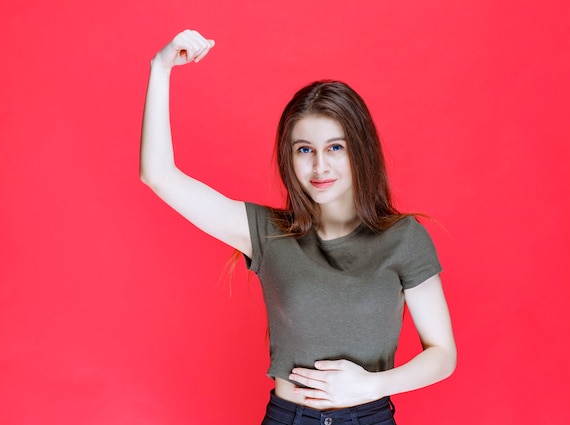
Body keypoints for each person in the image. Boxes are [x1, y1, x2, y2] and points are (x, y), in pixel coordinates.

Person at [140, 29, 456, 425]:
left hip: (371, 417)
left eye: (335, 148)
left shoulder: (404, 238)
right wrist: (161, 68)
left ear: (361, 150)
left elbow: (442, 354)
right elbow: (159, 176)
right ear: (289, 158)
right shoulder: (267, 233)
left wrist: (372, 386)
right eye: (304, 150)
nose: (320, 166)